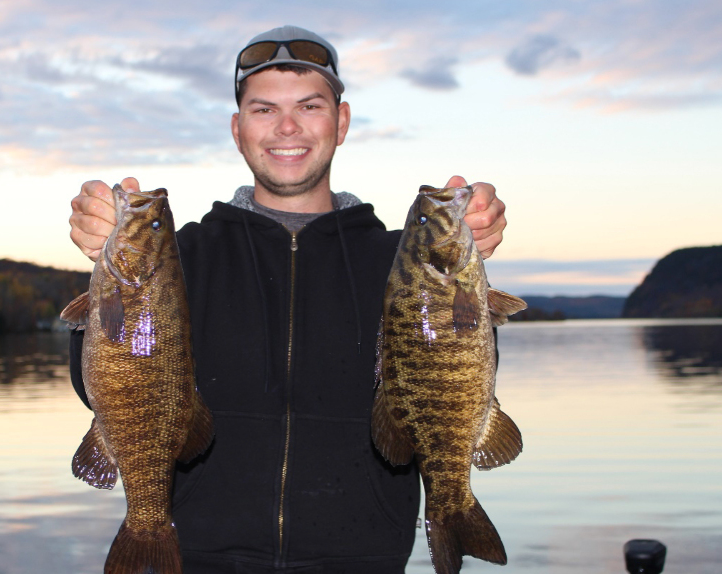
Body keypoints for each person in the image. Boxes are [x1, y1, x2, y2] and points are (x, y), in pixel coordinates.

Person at [67, 25, 507, 574]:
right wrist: (103, 261)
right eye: (263, 109)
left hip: (365, 561)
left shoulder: (400, 259)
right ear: (237, 129)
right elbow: (105, 386)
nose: (287, 127)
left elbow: (457, 377)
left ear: (341, 123)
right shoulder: (180, 256)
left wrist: (472, 263)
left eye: (309, 105)